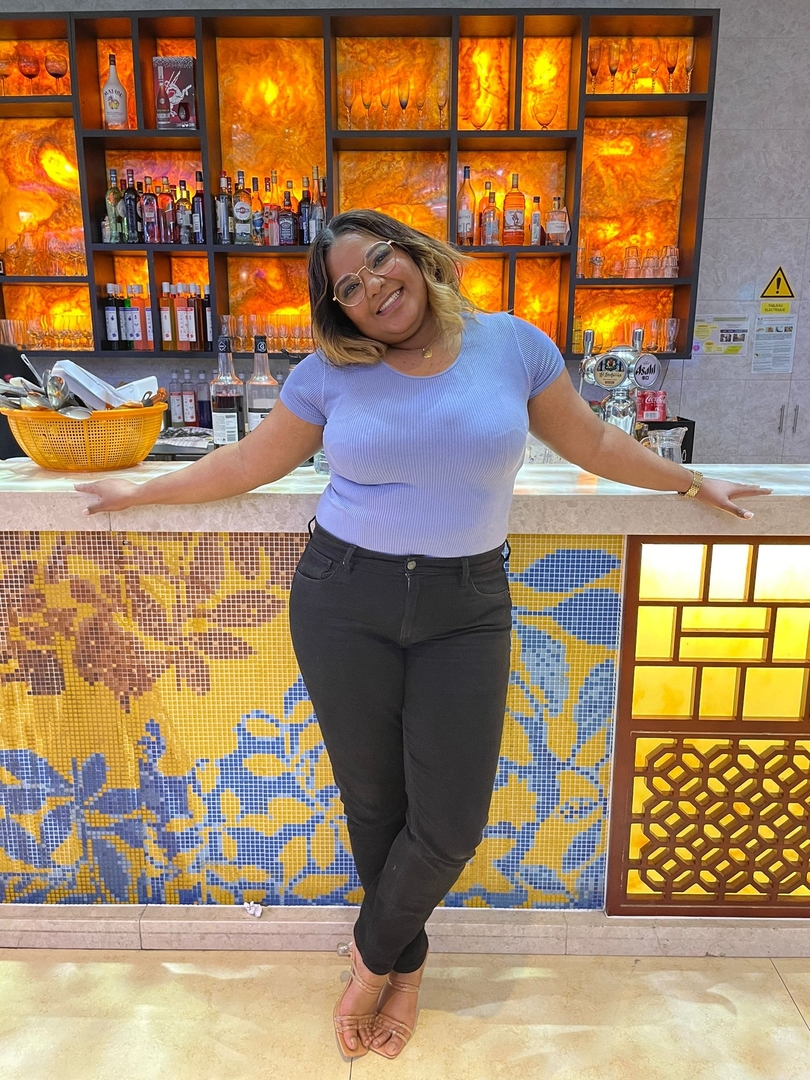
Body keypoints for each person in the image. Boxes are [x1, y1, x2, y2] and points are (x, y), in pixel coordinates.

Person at [76, 209, 771, 1061]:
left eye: (379, 260)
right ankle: (405, 973)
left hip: (466, 604)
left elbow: (592, 439)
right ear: (339, 309)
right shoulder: (331, 371)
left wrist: (691, 483)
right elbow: (246, 463)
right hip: (343, 597)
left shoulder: (512, 345)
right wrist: (139, 490)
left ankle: (368, 962)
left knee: (449, 823)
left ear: (412, 252)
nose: (373, 287)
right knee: (374, 804)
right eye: (349, 286)